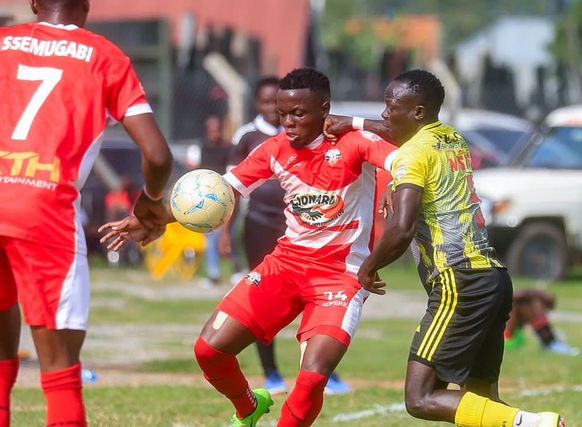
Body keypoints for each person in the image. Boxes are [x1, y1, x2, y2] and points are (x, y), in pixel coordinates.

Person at [101, 67, 398, 426]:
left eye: (298, 114)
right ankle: (248, 407)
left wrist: (395, 182)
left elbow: (407, 151)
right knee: (209, 350)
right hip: (286, 265)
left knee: (313, 376)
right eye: (282, 113)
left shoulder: (355, 142)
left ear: (324, 110)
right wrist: (152, 218)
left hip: (339, 276)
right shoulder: (275, 149)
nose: (287, 122)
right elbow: (219, 193)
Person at [325, 69, 564, 427]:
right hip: (493, 280)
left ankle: (535, 424)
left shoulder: (412, 155)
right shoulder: (453, 138)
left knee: (420, 398)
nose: (385, 113)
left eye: (392, 106)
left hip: (458, 281)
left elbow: (401, 229)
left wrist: (368, 267)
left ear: (418, 112)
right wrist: (353, 123)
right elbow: (395, 132)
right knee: (482, 403)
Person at [0, 1, 173, 427]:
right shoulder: (104, 56)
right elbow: (156, 154)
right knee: (59, 368)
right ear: (87, 5)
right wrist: (150, 201)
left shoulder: (2, 43)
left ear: (34, 3)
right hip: (43, 208)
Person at [228, 76, 350, 396]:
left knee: (316, 296)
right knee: (263, 301)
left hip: (304, 228)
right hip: (260, 225)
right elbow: (228, 190)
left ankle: (321, 369)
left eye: (280, 104)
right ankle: (271, 373)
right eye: (269, 104)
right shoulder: (249, 136)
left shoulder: (322, 135)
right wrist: (227, 231)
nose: (275, 111)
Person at [199, 115, 242, 286]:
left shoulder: (230, 148)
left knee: (230, 234)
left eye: (216, 130)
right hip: (208, 197)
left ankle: (236, 269)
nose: (214, 133)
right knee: (211, 236)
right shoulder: (204, 148)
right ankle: (214, 273)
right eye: (211, 130)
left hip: (227, 195)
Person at [505, 290, 579, 356]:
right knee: (527, 303)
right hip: (503, 338)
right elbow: (513, 296)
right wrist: (539, 294)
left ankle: (550, 341)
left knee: (530, 303)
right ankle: (549, 342)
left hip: (512, 335)